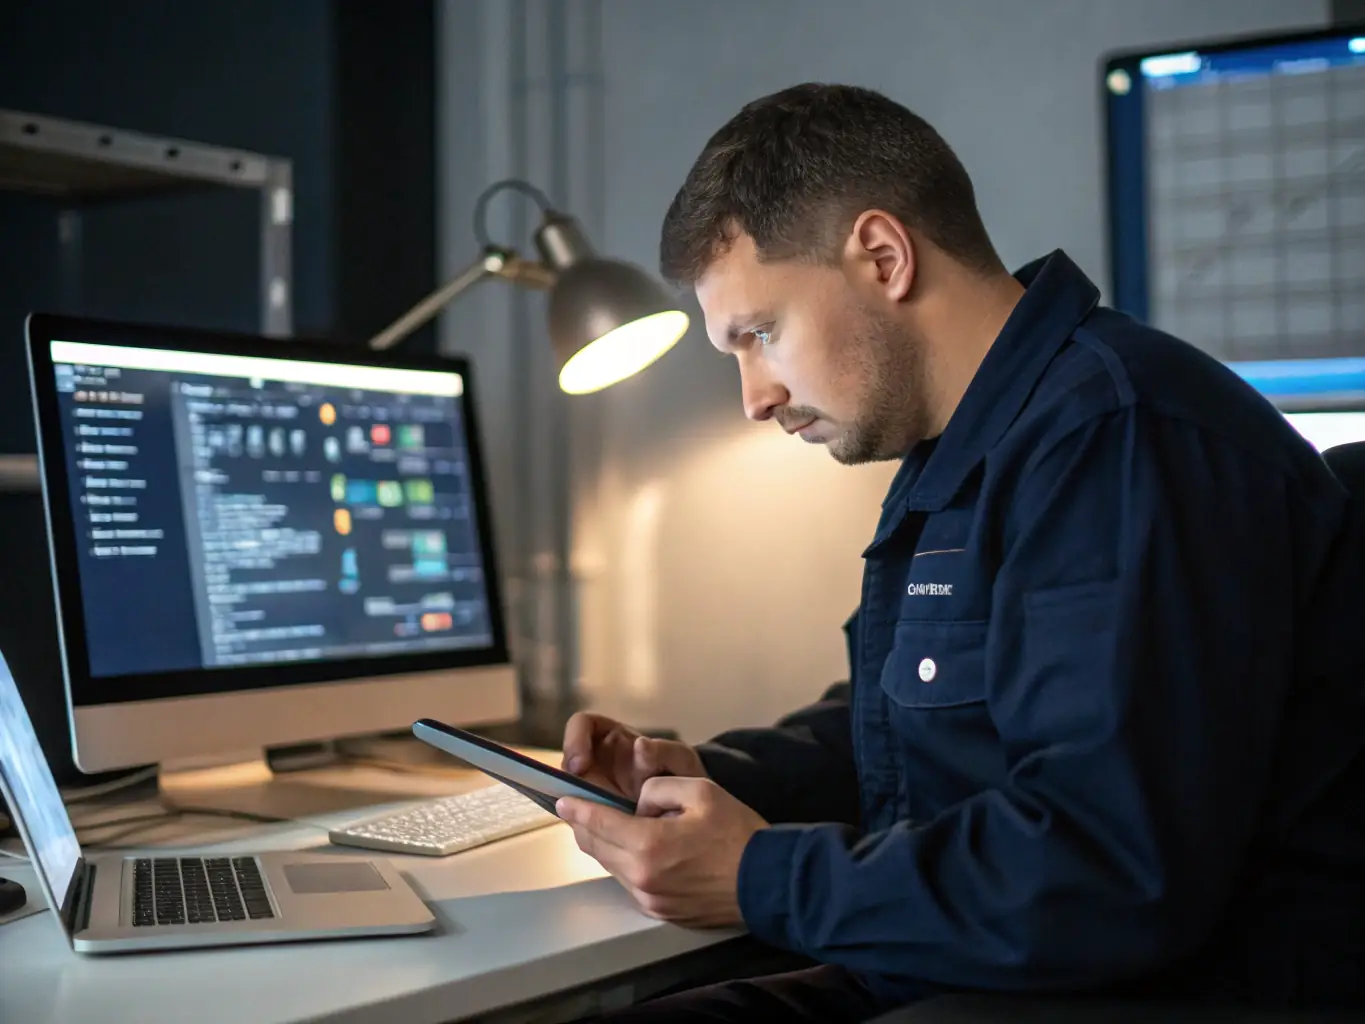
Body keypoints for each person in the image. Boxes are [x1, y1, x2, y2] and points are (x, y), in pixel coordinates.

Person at [555, 83, 1365, 1021]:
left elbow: (1104, 873)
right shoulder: (969, 445)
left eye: (761, 334)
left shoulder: (1122, 443)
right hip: (991, 965)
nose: (755, 398)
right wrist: (701, 779)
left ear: (882, 256)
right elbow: (907, 722)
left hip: (1173, 985)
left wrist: (757, 876)